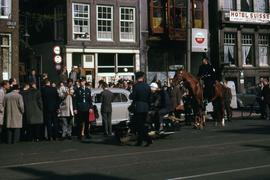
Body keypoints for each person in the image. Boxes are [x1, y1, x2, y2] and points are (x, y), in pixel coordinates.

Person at [129, 71, 152, 147]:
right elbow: (150, 97)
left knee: (139, 125)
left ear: (136, 78)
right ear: (142, 77)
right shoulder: (147, 86)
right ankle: (140, 141)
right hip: (145, 107)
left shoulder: (136, 86)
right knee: (142, 124)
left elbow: (132, 97)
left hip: (138, 107)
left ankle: (148, 139)